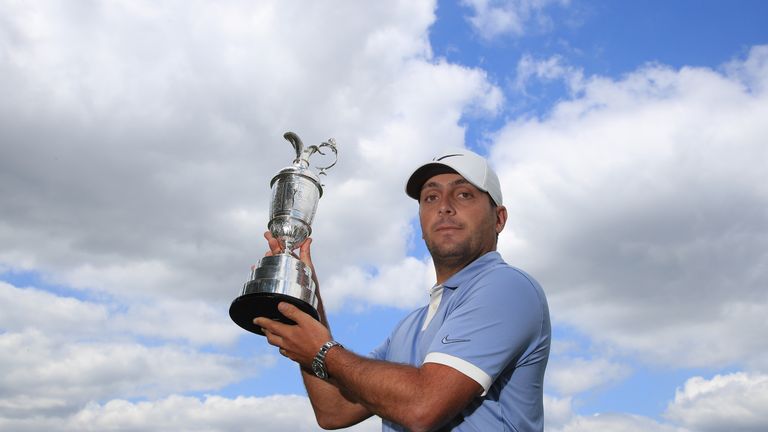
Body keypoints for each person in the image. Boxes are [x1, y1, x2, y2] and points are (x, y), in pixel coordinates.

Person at [255, 150, 551, 432]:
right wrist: (304, 299)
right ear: (421, 224)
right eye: (431, 197)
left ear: (499, 218)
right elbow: (334, 409)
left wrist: (322, 350)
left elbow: (423, 405)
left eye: (464, 194)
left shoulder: (508, 287)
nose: (444, 207)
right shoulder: (408, 327)